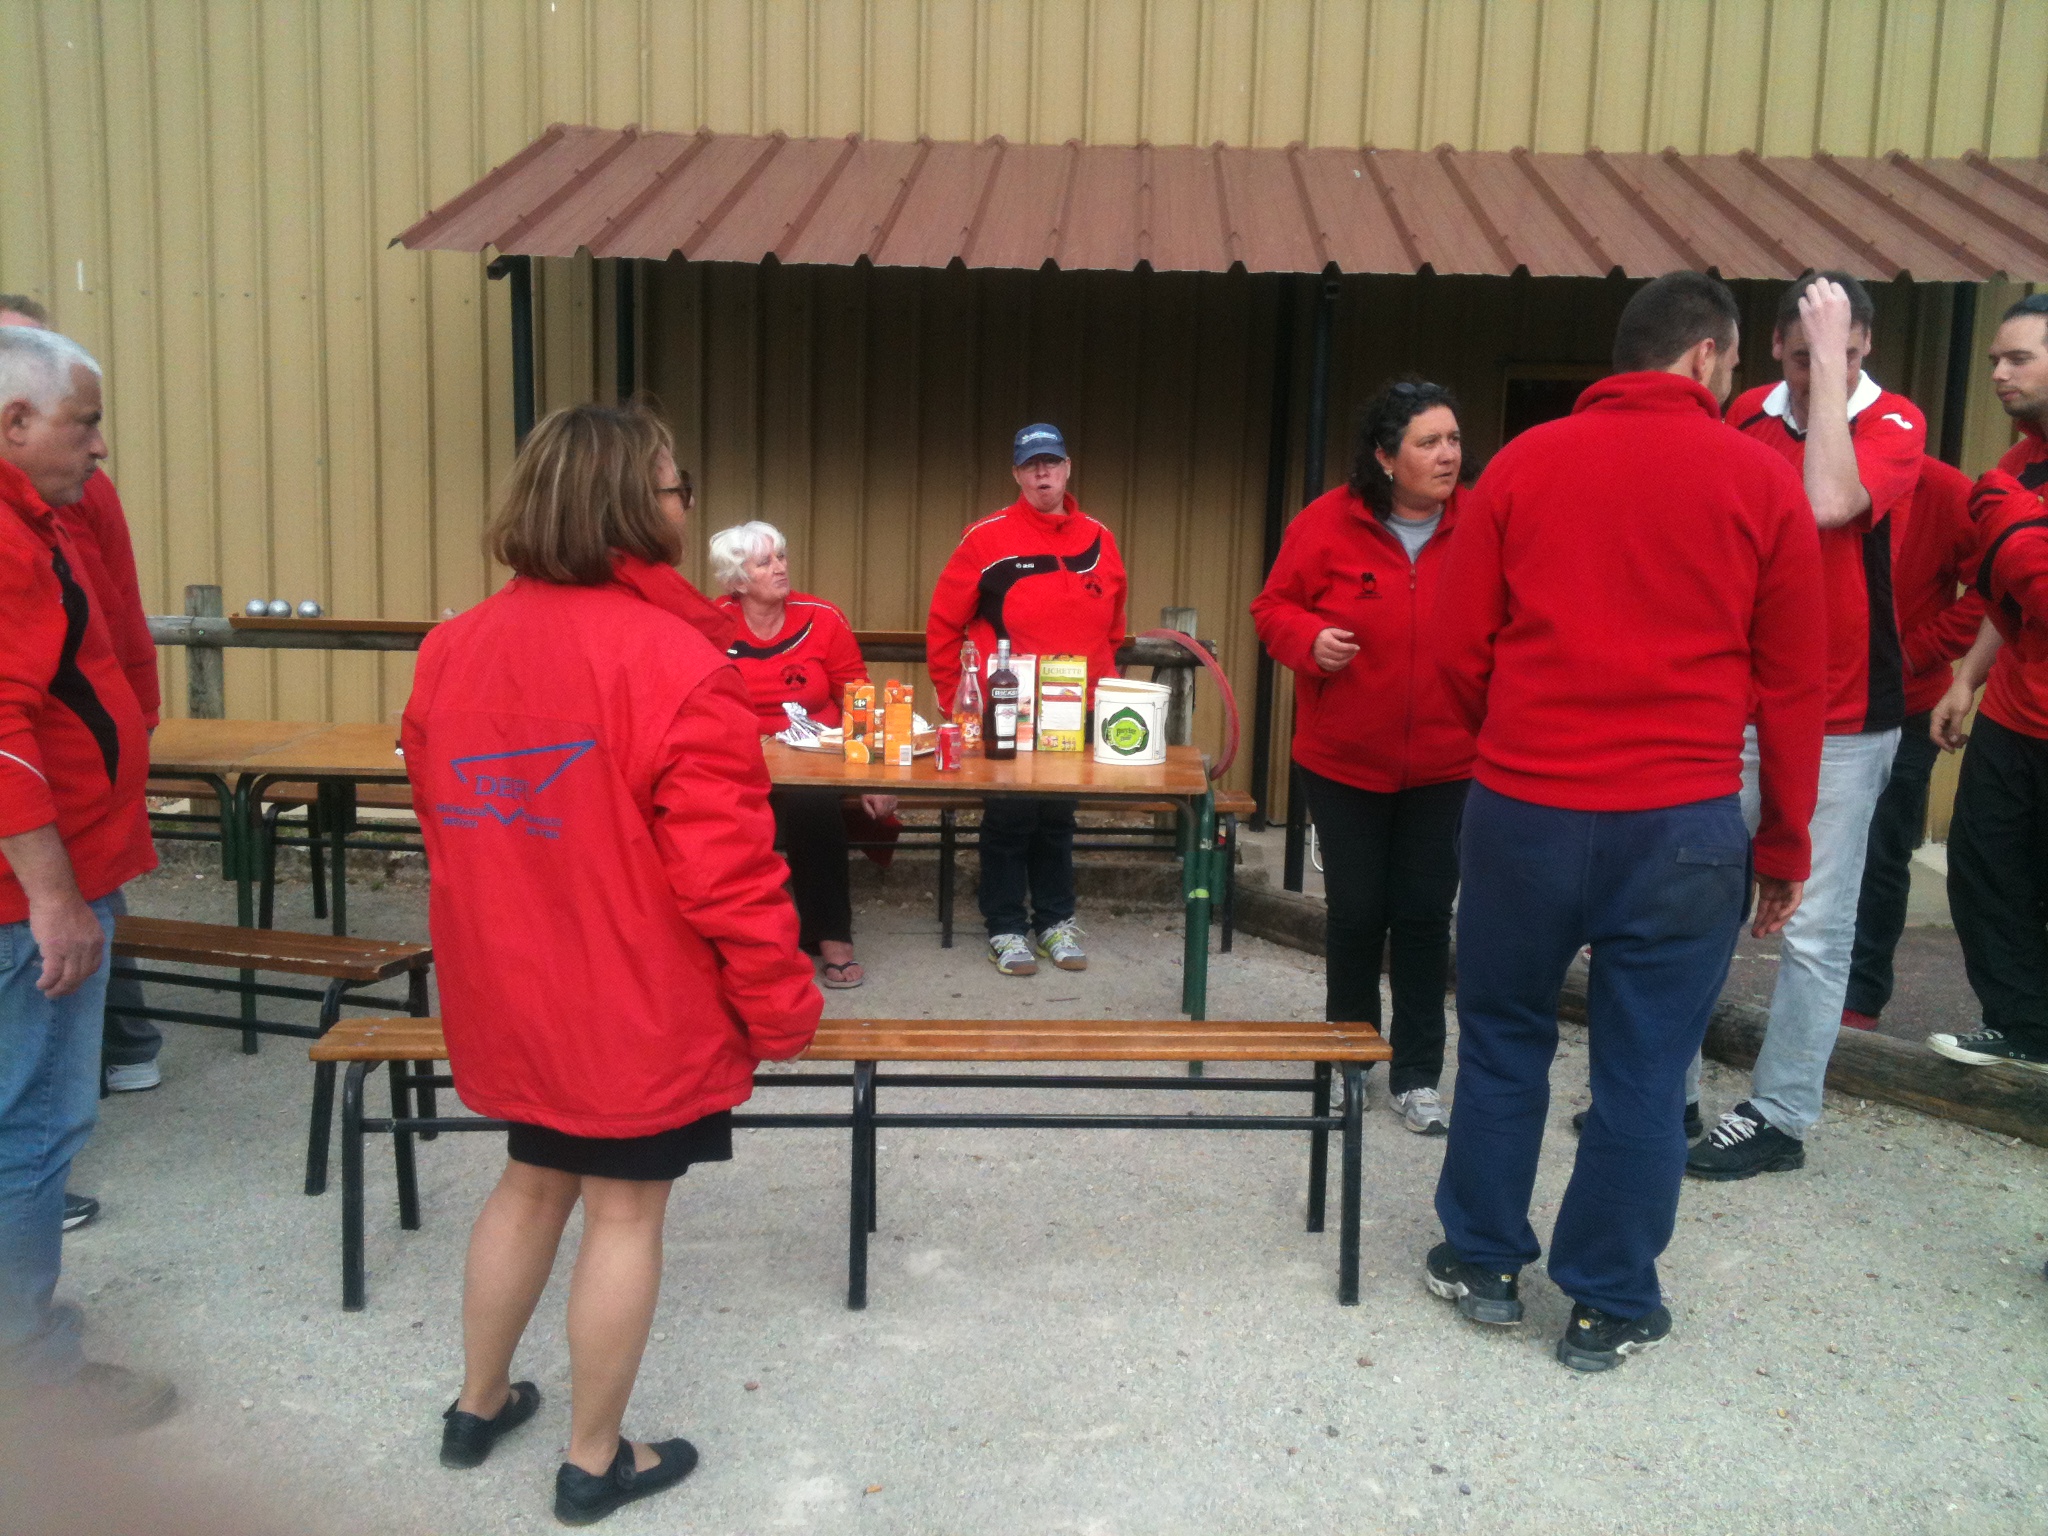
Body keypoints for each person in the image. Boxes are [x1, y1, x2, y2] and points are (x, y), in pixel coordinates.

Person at [403, 403, 820, 1525]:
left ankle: (475, 1404)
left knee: (529, 1181)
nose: (687, 502)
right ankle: (595, 1460)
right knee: (625, 1215)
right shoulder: (677, 660)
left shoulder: (453, 647)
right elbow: (728, 873)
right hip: (633, 1002)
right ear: (639, 506)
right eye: (679, 486)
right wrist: (781, 1005)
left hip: (514, 991)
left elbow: (446, 832)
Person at [1427, 271, 1825, 1372]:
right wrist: (1782, 843)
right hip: (1681, 824)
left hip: (1522, 812)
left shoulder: (1520, 467)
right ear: (1704, 356)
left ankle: (1479, 1258)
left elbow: (1458, 651)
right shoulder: (1760, 482)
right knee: (1645, 1068)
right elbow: (1794, 686)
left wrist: (1509, 748)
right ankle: (1605, 1302)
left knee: (1504, 1039)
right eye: (1735, 364)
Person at [1686, 272, 1927, 1181]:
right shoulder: (1746, 410)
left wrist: (1829, 371)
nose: (1822, 372)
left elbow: (1831, 502)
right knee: (1697, 897)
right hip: (1739, 700)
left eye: (1847, 355)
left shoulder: (1892, 420)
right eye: (1799, 354)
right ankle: (1666, 1093)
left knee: (1817, 928)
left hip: (1845, 713)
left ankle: (1782, 1113)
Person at [0, 324, 176, 1428]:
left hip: (44, 879)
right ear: (14, 425)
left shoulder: (41, 516)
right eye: (86, 423)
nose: (100, 447)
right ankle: (30, 1380)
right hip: (27, 898)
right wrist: (56, 898)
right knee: (34, 1123)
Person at [1250, 379, 1473, 1135]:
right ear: (1385, 457)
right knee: (1354, 914)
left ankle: (1417, 1076)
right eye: (1428, 442)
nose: (1448, 455)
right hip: (1343, 761)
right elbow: (1271, 607)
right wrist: (1308, 640)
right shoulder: (1327, 523)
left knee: (1421, 916)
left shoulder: (1481, 523)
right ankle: (1348, 1055)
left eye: (1452, 439)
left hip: (1449, 763)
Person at [927, 424, 1127, 977]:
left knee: (1059, 819)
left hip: (1074, 710)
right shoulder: (985, 538)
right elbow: (944, 624)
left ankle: (1057, 922)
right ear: (1017, 474)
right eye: (1031, 465)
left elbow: (1113, 629)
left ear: (1068, 468)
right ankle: (1006, 928)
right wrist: (956, 701)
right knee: (1010, 818)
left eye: (1052, 462)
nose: (1043, 473)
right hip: (1006, 706)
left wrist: (1100, 693)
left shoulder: (1099, 538)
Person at [1926, 291, 2048, 1079]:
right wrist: (1966, 679)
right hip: (2015, 713)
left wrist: (2014, 529)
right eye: (1995, 360)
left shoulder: (2009, 491)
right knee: (1983, 865)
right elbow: (2007, 593)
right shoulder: (2014, 465)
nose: (1999, 374)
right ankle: (2023, 1029)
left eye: (2018, 359)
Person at [709, 519, 894, 988]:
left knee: (813, 806)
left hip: (817, 759)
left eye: (782, 557)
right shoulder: (711, 624)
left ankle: (832, 936)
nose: (779, 568)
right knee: (723, 816)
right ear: (737, 580)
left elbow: (859, 696)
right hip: (739, 762)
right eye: (764, 561)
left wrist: (874, 776)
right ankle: (740, 946)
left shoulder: (822, 617)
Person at [1838, 455, 1976, 1031]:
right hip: (1798, 691)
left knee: (1879, 853)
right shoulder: (1789, 460)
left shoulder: (1944, 490)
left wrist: (1916, 652)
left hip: (1905, 701)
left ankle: (1858, 1002)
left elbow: (1993, 586)